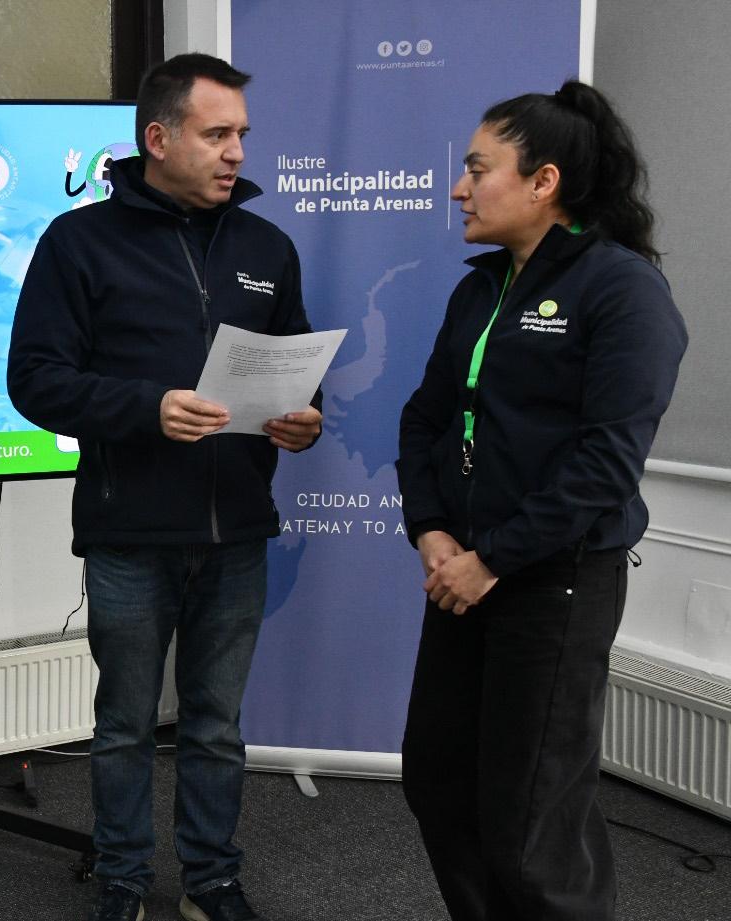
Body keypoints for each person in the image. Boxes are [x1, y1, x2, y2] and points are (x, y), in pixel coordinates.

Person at [9, 53, 322, 921]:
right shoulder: (78, 243)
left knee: (216, 725)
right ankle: (122, 880)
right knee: (124, 726)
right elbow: (35, 379)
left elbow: (296, 366)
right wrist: (146, 409)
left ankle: (211, 881)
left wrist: (307, 416)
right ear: (158, 137)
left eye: (241, 135)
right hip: (130, 533)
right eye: (216, 134)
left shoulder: (268, 247)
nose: (236, 153)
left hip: (238, 532)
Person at [396, 80, 688, 921]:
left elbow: (606, 462)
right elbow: (425, 418)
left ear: (543, 182)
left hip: (554, 581)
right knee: (440, 780)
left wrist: (492, 558)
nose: (459, 187)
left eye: (477, 168)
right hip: (463, 573)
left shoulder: (622, 291)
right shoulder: (479, 290)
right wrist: (432, 530)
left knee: (531, 821)